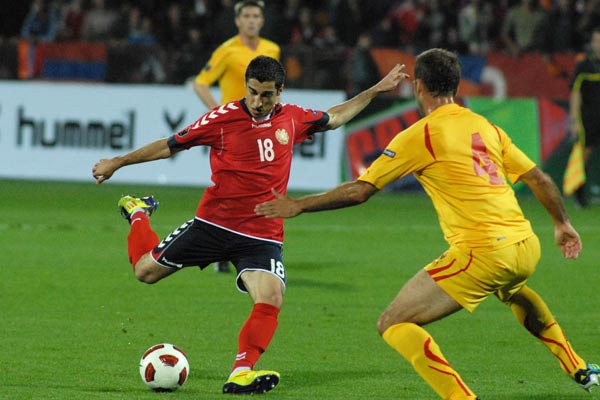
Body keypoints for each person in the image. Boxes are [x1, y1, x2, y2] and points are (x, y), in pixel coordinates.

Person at [255, 48, 599, 400]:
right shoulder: (485, 125)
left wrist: (297, 205)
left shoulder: (421, 134)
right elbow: (539, 179)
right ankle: (578, 366)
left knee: (393, 323)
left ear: (418, 86)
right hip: (525, 245)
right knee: (511, 289)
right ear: (456, 84)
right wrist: (562, 224)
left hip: (484, 252)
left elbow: (360, 191)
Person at [92, 56, 406, 395]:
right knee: (144, 272)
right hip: (213, 224)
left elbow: (336, 116)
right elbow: (170, 146)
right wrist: (118, 162)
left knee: (271, 296)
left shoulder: (294, 117)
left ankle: (241, 371)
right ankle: (138, 211)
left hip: (262, 234)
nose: (257, 102)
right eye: (253, 92)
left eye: (266, 95)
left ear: (280, 92)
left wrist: (375, 90)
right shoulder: (222, 118)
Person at [193, 0, 280, 272]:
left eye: (256, 15)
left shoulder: (271, 49)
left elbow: (273, 88)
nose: (252, 20)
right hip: (233, 130)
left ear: (262, 21)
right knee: (230, 188)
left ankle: (250, 245)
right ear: (238, 21)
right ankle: (222, 248)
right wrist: (218, 113)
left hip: (261, 128)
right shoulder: (227, 51)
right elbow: (200, 83)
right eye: (247, 16)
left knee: (259, 188)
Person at [569, 27, 600, 208]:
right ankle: (579, 194)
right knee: (584, 154)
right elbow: (575, 92)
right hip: (588, 117)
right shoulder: (585, 65)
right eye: (596, 41)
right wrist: (574, 118)